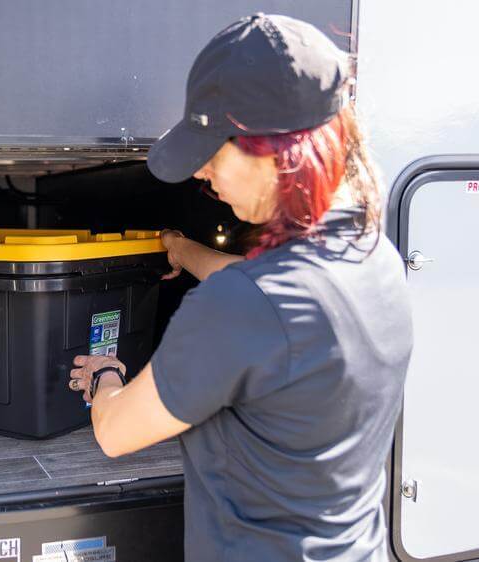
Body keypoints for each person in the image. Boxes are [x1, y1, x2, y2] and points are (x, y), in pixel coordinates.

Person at [67, 13, 413, 562]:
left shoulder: (240, 308)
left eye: (211, 152)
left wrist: (107, 375)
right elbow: (265, 302)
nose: (201, 174)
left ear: (273, 149)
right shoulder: (377, 261)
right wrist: (181, 249)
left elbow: (114, 432)